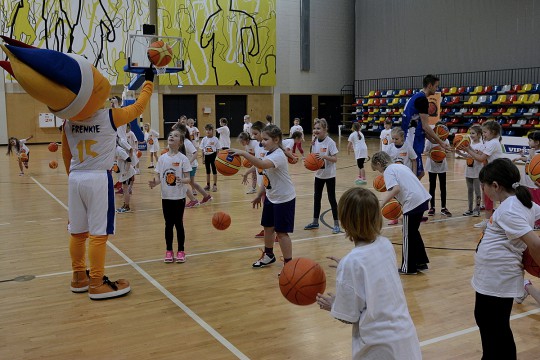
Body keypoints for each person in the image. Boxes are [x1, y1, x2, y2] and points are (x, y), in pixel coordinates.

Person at [316, 187, 422, 360]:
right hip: (406, 339)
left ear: (344, 221)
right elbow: (373, 271)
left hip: (378, 348)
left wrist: (333, 304)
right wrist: (347, 267)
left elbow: (349, 316)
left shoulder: (352, 262)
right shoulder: (385, 244)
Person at [472, 158, 540, 359]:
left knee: (492, 325)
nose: (483, 189)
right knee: (495, 325)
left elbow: (535, 244)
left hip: (497, 277)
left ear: (494, 185)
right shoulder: (519, 202)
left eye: (483, 185)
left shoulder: (510, 209)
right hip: (495, 277)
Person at [229, 125, 295, 268]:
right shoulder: (269, 153)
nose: (262, 142)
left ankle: (289, 265)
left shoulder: (277, 155)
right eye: (262, 139)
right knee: (268, 227)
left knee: (282, 233)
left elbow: (262, 165)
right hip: (271, 196)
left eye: (266, 139)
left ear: (276, 140)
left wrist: (243, 153)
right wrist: (259, 194)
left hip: (284, 199)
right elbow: (266, 177)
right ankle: (269, 255)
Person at [371, 151, 431, 274]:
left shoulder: (388, 171)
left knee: (407, 235)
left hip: (413, 202)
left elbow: (396, 189)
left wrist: (381, 204)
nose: (379, 173)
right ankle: (420, 261)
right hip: (422, 198)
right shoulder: (400, 166)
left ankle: (408, 267)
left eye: (377, 169)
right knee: (413, 232)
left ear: (379, 163)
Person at [148, 130, 192, 263]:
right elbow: (159, 177)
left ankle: (181, 250)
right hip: (166, 197)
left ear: (180, 142)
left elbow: (188, 179)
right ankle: (168, 251)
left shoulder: (183, 158)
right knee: (168, 224)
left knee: (178, 224)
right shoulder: (162, 158)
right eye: (171, 135)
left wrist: (181, 180)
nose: (172, 136)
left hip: (179, 197)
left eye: (176, 135)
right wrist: (154, 183)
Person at [401, 74, 451, 179]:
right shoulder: (422, 100)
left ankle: (407, 193)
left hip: (410, 135)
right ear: (429, 85)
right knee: (416, 174)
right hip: (412, 138)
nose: (437, 89)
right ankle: (405, 194)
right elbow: (425, 126)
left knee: (417, 173)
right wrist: (441, 142)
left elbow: (420, 126)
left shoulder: (416, 96)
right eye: (436, 86)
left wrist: (435, 141)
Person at [304, 118, 341, 234]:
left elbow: (335, 159)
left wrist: (324, 157)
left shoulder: (330, 142)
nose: (315, 130)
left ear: (325, 129)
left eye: (318, 128)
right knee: (316, 198)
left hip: (330, 175)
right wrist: (308, 163)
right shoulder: (314, 141)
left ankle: (336, 224)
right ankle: (315, 222)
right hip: (319, 175)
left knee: (331, 199)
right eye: (314, 128)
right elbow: (313, 158)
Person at [464, 120, 503, 228]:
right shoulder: (490, 142)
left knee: (492, 196)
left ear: (494, 132)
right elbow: (479, 153)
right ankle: (489, 219)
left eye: (485, 132)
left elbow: (481, 158)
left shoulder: (494, 143)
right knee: (488, 196)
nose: (483, 135)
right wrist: (469, 148)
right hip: (490, 171)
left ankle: (491, 220)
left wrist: (468, 149)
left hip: (496, 172)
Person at [175, 123, 212, 208]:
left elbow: (195, 153)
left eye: (177, 132)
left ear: (183, 132)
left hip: (191, 165)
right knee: (192, 183)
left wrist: (188, 162)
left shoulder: (187, 142)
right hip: (189, 165)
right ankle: (206, 196)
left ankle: (193, 200)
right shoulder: (181, 141)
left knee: (182, 183)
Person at [513, 130, 540, 229]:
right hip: (527, 183)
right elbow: (528, 160)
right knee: (529, 202)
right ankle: (530, 220)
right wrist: (521, 157)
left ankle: (538, 223)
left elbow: (535, 162)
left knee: (537, 203)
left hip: (535, 184)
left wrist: (531, 154)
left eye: (530, 140)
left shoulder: (537, 153)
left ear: (537, 142)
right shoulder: (532, 152)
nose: (528, 142)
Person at [424, 128, 452, 217]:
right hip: (431, 166)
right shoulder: (429, 141)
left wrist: (446, 151)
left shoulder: (446, 140)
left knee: (443, 187)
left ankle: (444, 207)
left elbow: (447, 151)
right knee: (432, 186)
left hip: (442, 166)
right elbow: (425, 151)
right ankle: (432, 207)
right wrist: (433, 155)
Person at [457, 124, 483, 217]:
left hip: (477, 171)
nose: (471, 135)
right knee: (469, 190)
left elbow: (478, 156)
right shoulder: (469, 143)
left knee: (477, 191)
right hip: (468, 170)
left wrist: (468, 150)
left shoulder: (482, 145)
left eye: (473, 133)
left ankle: (477, 209)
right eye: (470, 133)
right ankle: (470, 209)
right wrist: (459, 152)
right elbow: (468, 156)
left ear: (479, 134)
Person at [114, 139, 136, 213]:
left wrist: (126, 171)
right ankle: (125, 205)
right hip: (123, 172)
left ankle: (127, 207)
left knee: (125, 190)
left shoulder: (119, 150)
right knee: (124, 189)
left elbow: (129, 160)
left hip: (127, 172)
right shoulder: (114, 149)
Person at [199, 123, 220, 192]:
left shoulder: (215, 139)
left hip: (213, 156)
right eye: (206, 130)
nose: (208, 131)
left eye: (209, 130)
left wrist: (217, 158)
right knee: (207, 171)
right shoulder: (204, 139)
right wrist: (203, 158)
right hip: (207, 156)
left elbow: (217, 150)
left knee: (214, 171)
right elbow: (202, 150)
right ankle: (208, 185)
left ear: (212, 130)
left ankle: (215, 185)